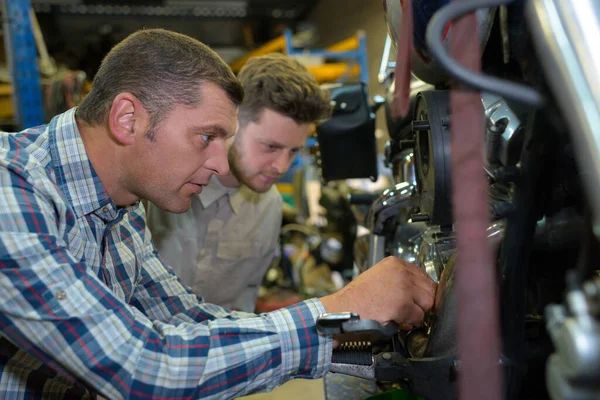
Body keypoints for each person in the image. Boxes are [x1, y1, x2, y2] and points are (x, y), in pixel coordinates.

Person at [0, 29, 436, 399]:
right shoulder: (11, 189)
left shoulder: (123, 208)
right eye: (206, 137)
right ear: (127, 118)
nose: (222, 166)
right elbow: (141, 367)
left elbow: (187, 316)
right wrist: (332, 311)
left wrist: (353, 329)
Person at [146, 53, 330, 312]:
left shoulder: (270, 207)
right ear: (233, 119)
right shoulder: (162, 179)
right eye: (271, 146)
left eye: (293, 151)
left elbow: (244, 300)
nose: (281, 166)